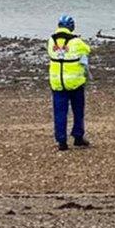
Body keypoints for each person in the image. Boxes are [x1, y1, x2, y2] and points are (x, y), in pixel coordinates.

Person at [46, 14, 92, 151]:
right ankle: (78, 136)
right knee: (78, 111)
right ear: (71, 26)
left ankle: (61, 141)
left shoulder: (51, 40)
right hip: (74, 82)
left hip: (57, 82)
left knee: (60, 112)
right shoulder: (75, 41)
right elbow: (87, 50)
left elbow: (51, 53)